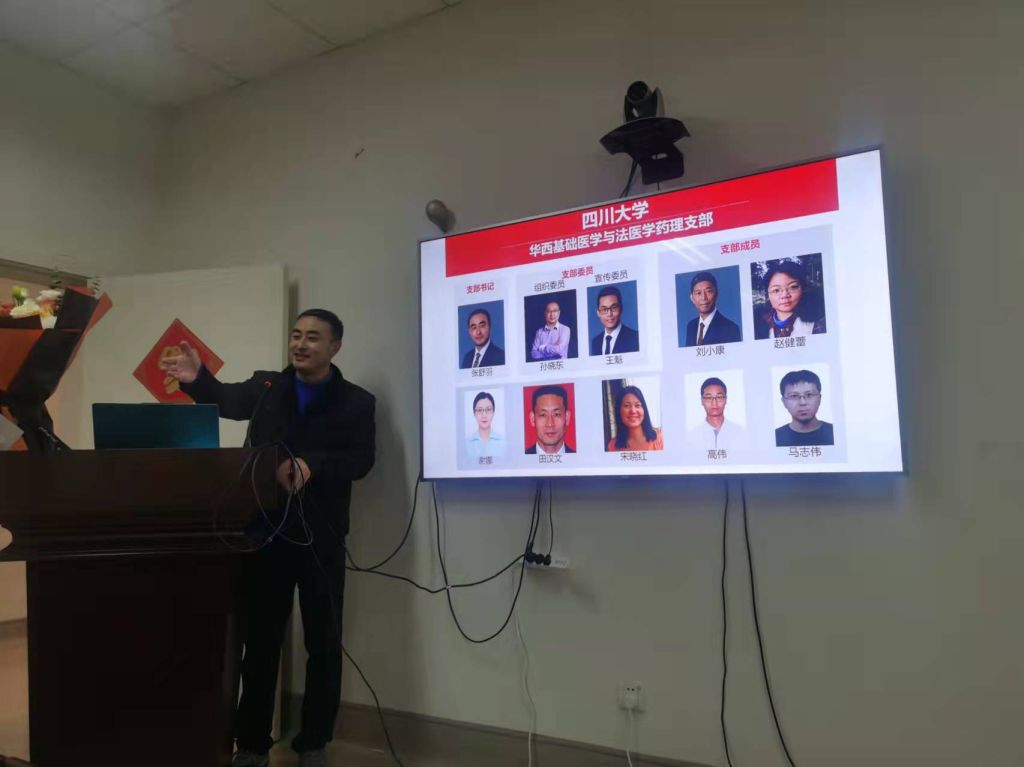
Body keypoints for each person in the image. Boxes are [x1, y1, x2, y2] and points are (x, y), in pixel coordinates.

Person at [161, 309, 375, 767]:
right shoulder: (267, 387)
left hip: (321, 538)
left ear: (335, 347)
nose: (300, 344)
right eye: (296, 335)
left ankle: (313, 742)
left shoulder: (357, 402)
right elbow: (225, 399)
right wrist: (198, 379)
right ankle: (252, 744)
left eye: (312, 337)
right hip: (265, 532)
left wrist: (313, 464)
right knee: (259, 642)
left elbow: (361, 460)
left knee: (323, 643)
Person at [754, 260, 827, 339]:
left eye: (793, 287)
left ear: (803, 289)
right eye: (776, 290)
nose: (785, 295)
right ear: (768, 294)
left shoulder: (819, 324)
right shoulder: (757, 324)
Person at [775, 369, 834, 446]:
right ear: (784, 402)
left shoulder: (835, 433)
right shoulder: (775, 437)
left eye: (809, 395)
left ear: (819, 399)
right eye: (794, 396)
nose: (803, 403)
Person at [683, 271, 741, 346]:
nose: (704, 298)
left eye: (708, 291)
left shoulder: (731, 329)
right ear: (692, 298)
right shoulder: (691, 326)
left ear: (716, 293)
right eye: (698, 293)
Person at [687, 377, 746, 450]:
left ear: (726, 400)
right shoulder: (692, 438)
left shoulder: (740, 433)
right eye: (708, 398)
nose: (714, 403)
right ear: (702, 401)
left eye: (719, 397)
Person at [606, 385, 663, 451]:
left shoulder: (660, 438)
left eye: (637, 405)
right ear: (619, 411)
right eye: (627, 405)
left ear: (644, 409)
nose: (633, 411)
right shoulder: (612, 446)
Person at [589, 286, 639, 355]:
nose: (609, 314)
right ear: (598, 313)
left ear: (621, 309)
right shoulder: (595, 342)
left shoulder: (635, 338)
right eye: (604, 309)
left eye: (614, 308)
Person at [525, 385, 575, 454]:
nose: (550, 424)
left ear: (567, 417)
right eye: (543, 415)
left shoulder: (580, 458)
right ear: (532, 419)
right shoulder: (519, 459)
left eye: (556, 414)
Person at [466, 391, 505, 457]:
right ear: (474, 414)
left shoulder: (503, 442)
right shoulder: (467, 443)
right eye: (479, 410)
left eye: (488, 409)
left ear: (493, 412)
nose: (484, 415)